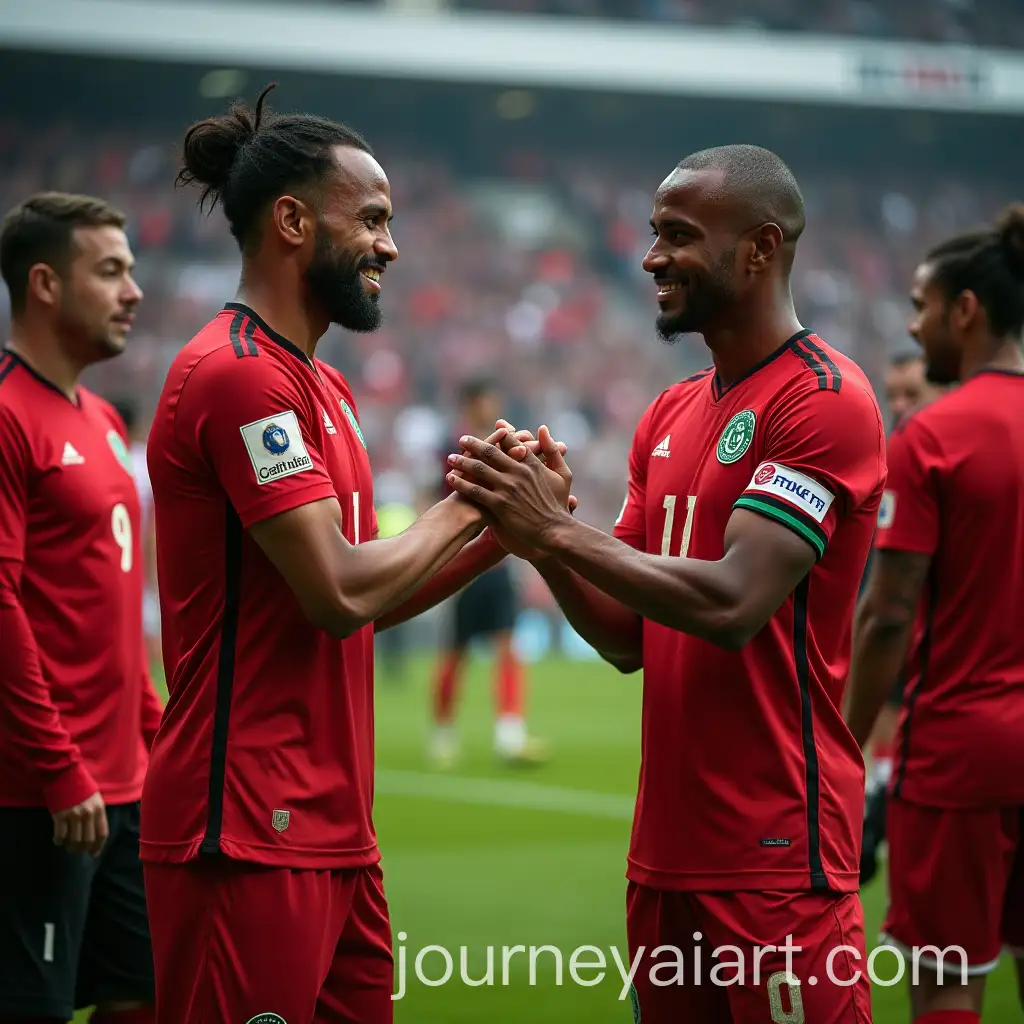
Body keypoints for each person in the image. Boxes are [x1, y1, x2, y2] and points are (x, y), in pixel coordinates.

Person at [141, 85, 570, 1024]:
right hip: (248, 826)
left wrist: (513, 527)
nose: (390, 244)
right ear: (292, 221)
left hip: (337, 828)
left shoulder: (320, 387)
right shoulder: (236, 377)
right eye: (371, 218)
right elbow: (339, 590)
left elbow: (361, 598)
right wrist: (471, 505)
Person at [447, 144, 885, 1023]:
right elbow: (621, 637)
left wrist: (559, 530)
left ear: (761, 248)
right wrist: (541, 543)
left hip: (775, 858)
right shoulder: (671, 410)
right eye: (652, 234)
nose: (650, 258)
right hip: (664, 862)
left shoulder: (824, 400)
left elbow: (732, 604)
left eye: (678, 236)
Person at [845, 205, 1024, 1024]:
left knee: (949, 983)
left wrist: (841, 747)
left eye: (921, 306)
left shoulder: (933, 435)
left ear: (966, 310)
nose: (914, 328)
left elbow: (887, 615)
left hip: (961, 751)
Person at [0, 192, 160, 1024]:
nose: (133, 290)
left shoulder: (100, 419)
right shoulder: (5, 414)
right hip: (40, 798)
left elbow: (109, 604)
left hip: (125, 787)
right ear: (44, 286)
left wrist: (154, 726)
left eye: (130, 270)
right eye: (109, 271)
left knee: (143, 994)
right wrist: (60, 768)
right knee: (37, 1005)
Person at [860, 350, 950, 885]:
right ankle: (880, 796)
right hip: (911, 686)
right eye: (891, 394)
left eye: (911, 394)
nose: (898, 407)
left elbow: (887, 611)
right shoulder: (888, 468)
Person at [430, 377, 547, 768]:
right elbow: (437, 499)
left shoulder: (506, 447)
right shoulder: (451, 447)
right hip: (463, 565)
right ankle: (443, 733)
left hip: (498, 565)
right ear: (471, 404)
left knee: (508, 646)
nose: (492, 409)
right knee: (455, 652)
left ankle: (509, 736)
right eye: (486, 402)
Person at [110, 397, 161, 673]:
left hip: (115, 558)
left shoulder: (107, 454)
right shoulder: (141, 461)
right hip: (138, 559)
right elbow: (153, 521)